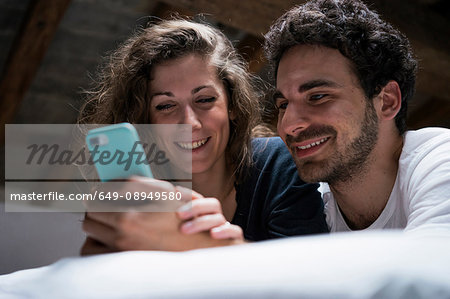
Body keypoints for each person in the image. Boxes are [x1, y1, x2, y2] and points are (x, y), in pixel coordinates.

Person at [79, 18, 328, 254]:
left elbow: (311, 275)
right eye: (165, 106)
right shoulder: (136, 199)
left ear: (232, 105)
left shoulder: (277, 163)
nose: (189, 122)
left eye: (205, 100)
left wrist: (214, 248)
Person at [263, 0, 450, 233]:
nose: (289, 124)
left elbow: (428, 265)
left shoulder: (439, 160)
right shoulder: (306, 203)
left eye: (318, 96)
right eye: (283, 104)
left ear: (387, 101)